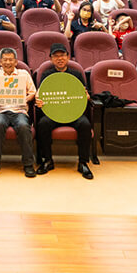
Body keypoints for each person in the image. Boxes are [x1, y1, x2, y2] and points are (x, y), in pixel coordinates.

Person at [34, 45, 93, 179]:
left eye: (62, 55)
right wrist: (39, 100)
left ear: (68, 57)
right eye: (56, 56)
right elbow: (41, 94)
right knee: (43, 124)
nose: (59, 59)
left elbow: (83, 93)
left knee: (85, 125)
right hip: (53, 113)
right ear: (51, 59)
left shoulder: (77, 74)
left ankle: (83, 162)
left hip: (73, 113)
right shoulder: (46, 75)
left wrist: (86, 97)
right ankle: (47, 160)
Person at [0, 47, 37, 177]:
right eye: (5, 60)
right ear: (0, 62)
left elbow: (33, 92)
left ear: (16, 61)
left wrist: (27, 98)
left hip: (19, 110)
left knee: (24, 126)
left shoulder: (23, 74)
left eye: (10, 60)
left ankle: (28, 164)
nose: (8, 62)